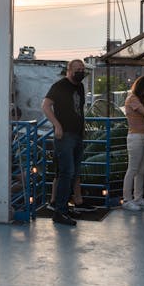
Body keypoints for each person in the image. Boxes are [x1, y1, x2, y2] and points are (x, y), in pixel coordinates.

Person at [40, 59, 87, 226]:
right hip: (64, 136)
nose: (81, 71)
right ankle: (59, 211)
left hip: (77, 135)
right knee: (66, 173)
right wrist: (57, 125)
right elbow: (45, 106)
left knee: (73, 174)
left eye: (83, 68)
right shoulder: (60, 86)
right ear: (69, 70)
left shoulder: (80, 87)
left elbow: (79, 110)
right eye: (78, 69)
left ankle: (65, 207)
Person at [121, 75, 144, 210]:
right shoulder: (132, 99)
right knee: (133, 169)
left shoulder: (140, 100)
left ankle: (138, 197)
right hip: (135, 137)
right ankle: (127, 199)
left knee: (141, 170)